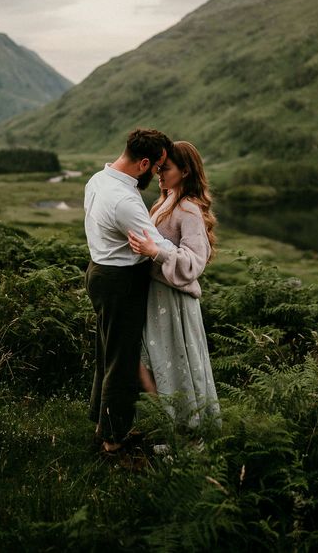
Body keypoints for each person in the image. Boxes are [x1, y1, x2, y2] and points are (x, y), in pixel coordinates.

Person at [84, 127, 175, 456]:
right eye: (155, 169)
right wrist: (188, 257)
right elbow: (157, 245)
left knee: (107, 354)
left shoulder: (98, 179)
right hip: (121, 282)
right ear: (144, 162)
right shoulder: (124, 199)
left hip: (100, 273)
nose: (156, 175)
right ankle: (114, 441)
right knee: (123, 363)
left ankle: (102, 423)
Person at [128, 140, 221, 431]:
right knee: (151, 362)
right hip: (156, 298)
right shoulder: (163, 201)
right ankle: (165, 425)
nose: (158, 172)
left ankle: (184, 432)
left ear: (184, 171)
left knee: (175, 365)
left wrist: (156, 252)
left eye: (165, 168)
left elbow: (195, 262)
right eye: (158, 166)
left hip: (175, 301)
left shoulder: (189, 208)